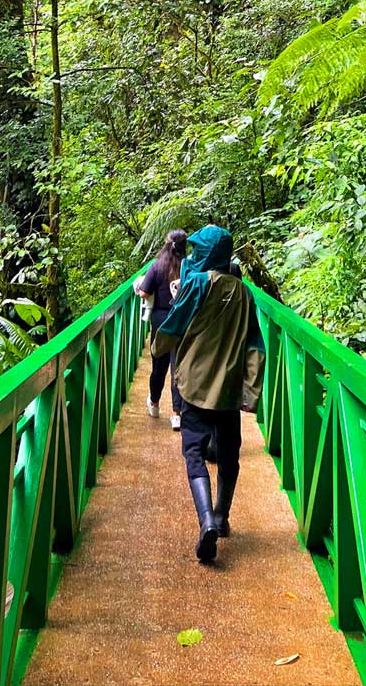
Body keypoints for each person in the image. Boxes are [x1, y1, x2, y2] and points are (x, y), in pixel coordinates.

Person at [151, 225, 265, 564]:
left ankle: (205, 523)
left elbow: (174, 322)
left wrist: (158, 348)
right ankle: (222, 516)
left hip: (194, 386)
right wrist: (252, 391)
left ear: (209, 253)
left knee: (194, 454)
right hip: (228, 391)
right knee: (229, 454)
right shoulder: (244, 294)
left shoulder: (198, 284)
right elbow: (256, 346)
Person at [135, 229, 187, 429]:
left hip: (161, 320)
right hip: (181, 319)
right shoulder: (188, 268)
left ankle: (155, 403)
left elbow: (144, 292)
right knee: (178, 365)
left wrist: (139, 285)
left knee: (159, 364)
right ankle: (177, 413)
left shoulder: (157, 267)